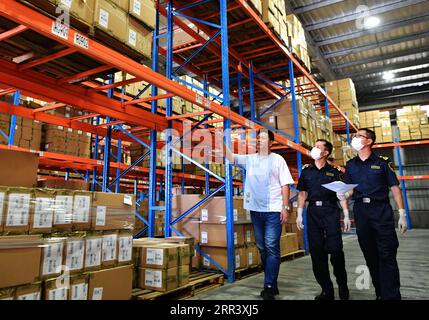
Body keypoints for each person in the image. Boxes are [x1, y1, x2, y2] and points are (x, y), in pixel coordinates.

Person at [338, 128, 408, 300]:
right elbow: (349, 190)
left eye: (358, 136)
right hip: (361, 212)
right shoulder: (351, 165)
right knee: (370, 255)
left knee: (387, 253)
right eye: (354, 136)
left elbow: (395, 188)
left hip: (381, 210)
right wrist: (343, 194)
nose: (354, 139)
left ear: (369, 141)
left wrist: (402, 213)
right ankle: (380, 293)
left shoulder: (383, 162)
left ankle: (391, 296)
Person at [225, 129, 294, 300]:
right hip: (256, 210)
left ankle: (269, 285)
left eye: (262, 138)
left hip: (273, 210)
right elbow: (231, 158)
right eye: (257, 139)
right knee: (262, 247)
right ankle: (272, 279)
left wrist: (285, 207)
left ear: (271, 142)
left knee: (271, 246)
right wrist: (222, 142)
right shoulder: (250, 159)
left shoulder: (278, 160)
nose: (258, 141)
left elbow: (285, 184)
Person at [296, 139, 351, 300]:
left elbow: (341, 194)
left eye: (318, 147)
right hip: (312, 212)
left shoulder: (334, 171)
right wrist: (299, 213)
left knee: (335, 251)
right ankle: (327, 290)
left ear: (326, 153)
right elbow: (302, 193)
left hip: (330, 212)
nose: (314, 149)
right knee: (317, 253)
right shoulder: (307, 171)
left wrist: (346, 214)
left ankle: (342, 285)